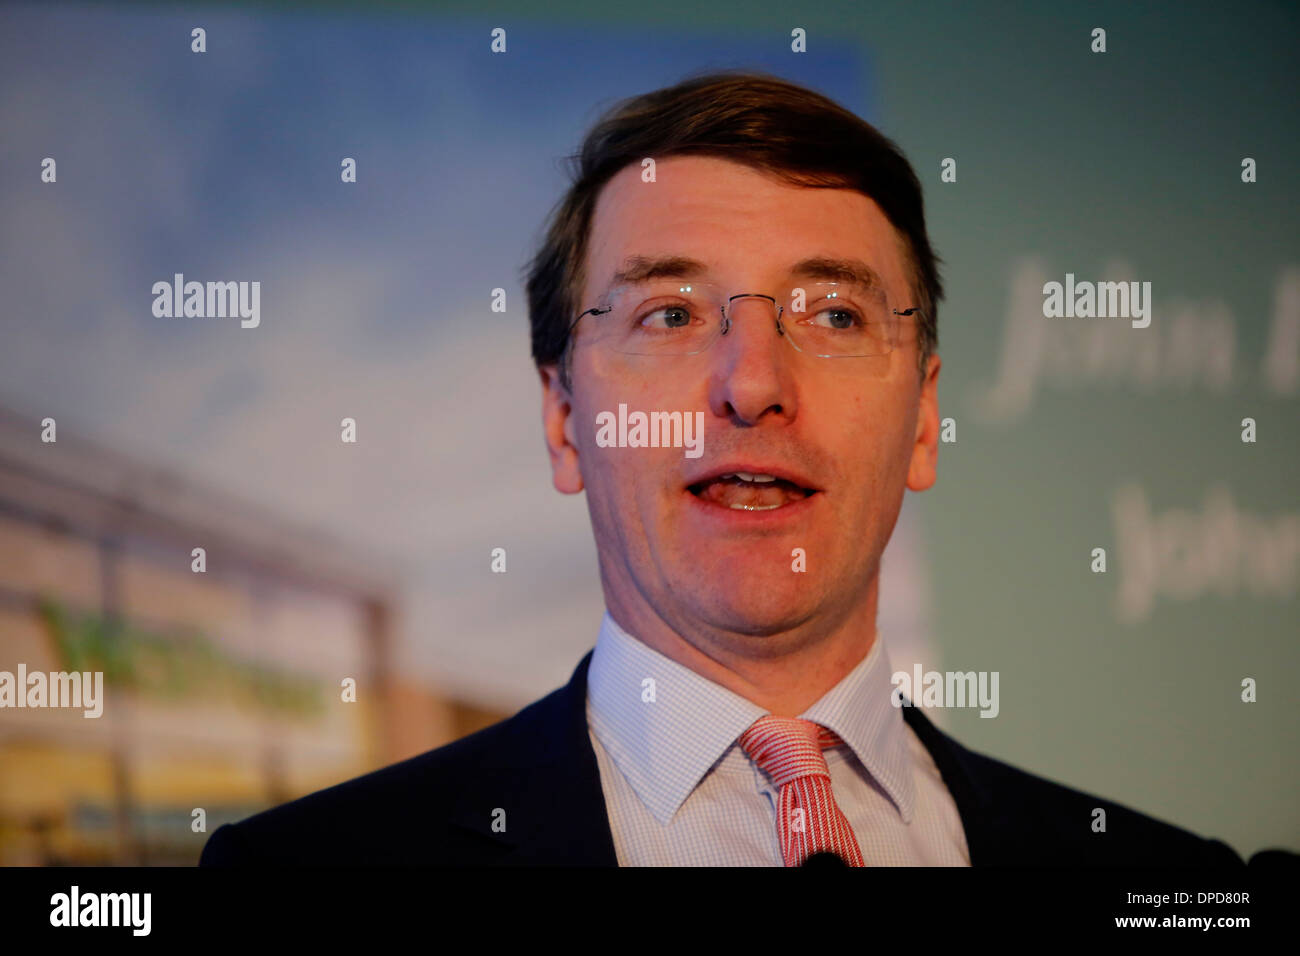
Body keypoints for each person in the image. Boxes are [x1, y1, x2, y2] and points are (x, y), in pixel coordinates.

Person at [201, 71, 1244, 867]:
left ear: (924, 417)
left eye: (833, 313)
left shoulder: (1167, 882)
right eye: (669, 313)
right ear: (565, 419)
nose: (751, 384)